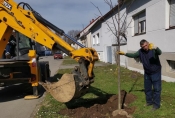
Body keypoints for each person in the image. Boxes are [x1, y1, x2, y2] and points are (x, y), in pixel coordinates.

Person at [118, 39, 162, 111]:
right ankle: (149, 102)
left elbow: (160, 53)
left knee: (156, 89)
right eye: (143, 46)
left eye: (145, 45)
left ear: (148, 43)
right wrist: (124, 53)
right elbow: (134, 55)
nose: (145, 47)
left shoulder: (153, 50)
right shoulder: (141, 51)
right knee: (147, 88)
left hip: (155, 72)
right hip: (147, 73)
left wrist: (156, 47)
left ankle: (156, 105)